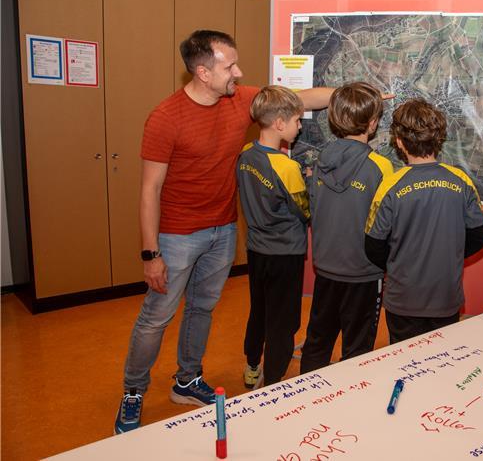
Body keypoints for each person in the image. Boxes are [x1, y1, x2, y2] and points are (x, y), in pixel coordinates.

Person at [115, 30, 333, 434]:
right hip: (177, 237)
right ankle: (133, 391)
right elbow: (150, 189)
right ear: (202, 72)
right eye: (229, 66)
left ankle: (187, 378)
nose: (239, 72)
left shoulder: (240, 99)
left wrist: (350, 94)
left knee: (202, 309)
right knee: (156, 317)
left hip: (223, 231)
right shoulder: (165, 118)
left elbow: (298, 99)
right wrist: (151, 254)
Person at [364, 99, 483, 344]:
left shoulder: (390, 185)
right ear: (438, 139)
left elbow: (373, 245)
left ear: (399, 142)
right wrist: (448, 256)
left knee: (403, 362)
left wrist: (397, 263)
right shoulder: (460, 180)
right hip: (446, 297)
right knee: (441, 362)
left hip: (403, 297)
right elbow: (480, 235)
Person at [299, 82, 393, 374]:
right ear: (374, 124)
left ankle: (305, 400)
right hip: (364, 274)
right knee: (358, 349)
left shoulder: (317, 164)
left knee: (317, 341)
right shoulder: (381, 167)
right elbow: (385, 224)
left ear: (333, 119)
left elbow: (313, 212)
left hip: (326, 269)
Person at [238, 86, 311, 389]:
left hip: (257, 251)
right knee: (284, 320)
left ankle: (253, 364)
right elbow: (305, 210)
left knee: (260, 310)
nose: (300, 126)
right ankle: (275, 378)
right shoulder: (287, 166)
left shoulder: (245, 154)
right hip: (285, 254)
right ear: (280, 123)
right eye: (297, 120)